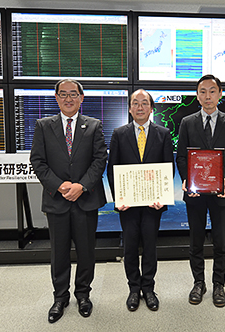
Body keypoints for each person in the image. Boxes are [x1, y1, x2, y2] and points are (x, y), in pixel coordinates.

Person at [30, 79, 107, 323]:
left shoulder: (94, 126)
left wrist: (81, 186)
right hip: (57, 200)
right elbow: (38, 162)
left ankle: (83, 294)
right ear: (56, 97)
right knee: (59, 253)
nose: (68, 99)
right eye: (63, 94)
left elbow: (99, 160)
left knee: (86, 252)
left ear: (82, 98)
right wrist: (61, 186)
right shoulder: (43, 126)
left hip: (85, 200)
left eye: (73, 94)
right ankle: (59, 297)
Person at [176, 74, 225, 308]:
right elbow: (182, 157)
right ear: (197, 95)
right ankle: (198, 283)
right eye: (202, 91)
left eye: (212, 91)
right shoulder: (187, 122)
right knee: (195, 241)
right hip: (195, 193)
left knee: (220, 243)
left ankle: (219, 285)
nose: (207, 96)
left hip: (220, 193)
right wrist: (187, 179)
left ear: (220, 94)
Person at [107, 89, 174, 312]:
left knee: (150, 247)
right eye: (135, 103)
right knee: (130, 247)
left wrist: (162, 197)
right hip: (128, 204)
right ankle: (134, 289)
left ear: (151, 108)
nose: (140, 107)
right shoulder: (119, 133)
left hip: (153, 203)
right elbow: (112, 169)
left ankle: (149, 289)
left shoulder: (163, 134)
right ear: (129, 108)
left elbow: (168, 169)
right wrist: (119, 199)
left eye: (144, 103)